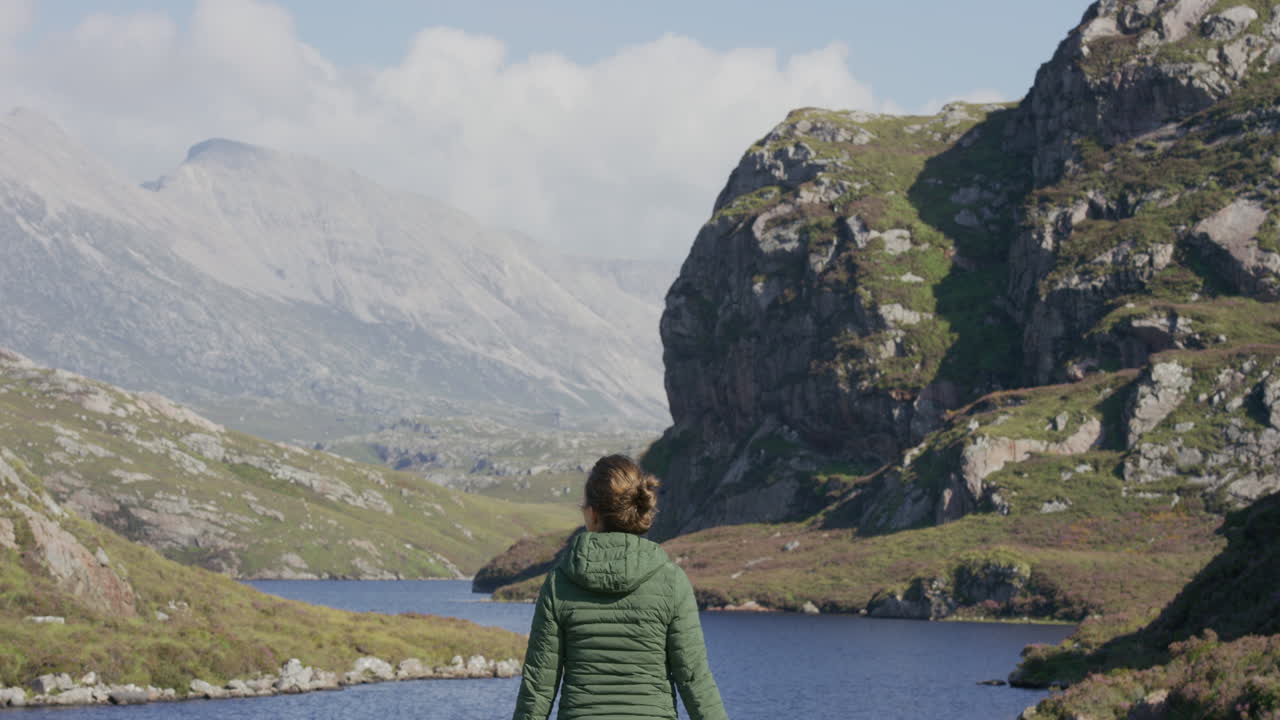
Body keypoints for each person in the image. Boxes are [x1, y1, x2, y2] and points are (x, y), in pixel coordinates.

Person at [512, 454, 728, 720]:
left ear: (593, 513)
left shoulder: (559, 583)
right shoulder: (672, 581)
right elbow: (694, 678)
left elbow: (538, 687)